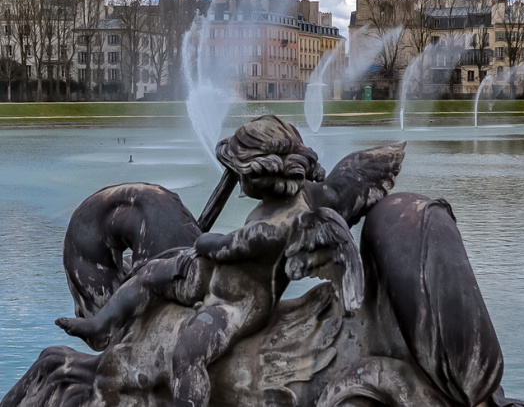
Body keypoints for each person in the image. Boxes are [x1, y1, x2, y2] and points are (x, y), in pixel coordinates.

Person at [57, 115, 364, 406]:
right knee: (150, 272)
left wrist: (204, 242)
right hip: (213, 276)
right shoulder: (280, 201)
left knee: (188, 352)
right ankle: (100, 323)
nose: (238, 180)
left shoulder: (274, 228)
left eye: (240, 172)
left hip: (237, 303)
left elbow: (221, 244)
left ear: (261, 174)